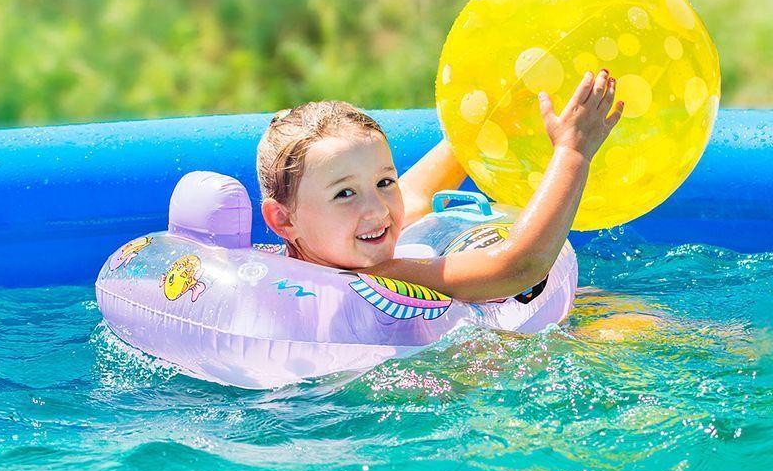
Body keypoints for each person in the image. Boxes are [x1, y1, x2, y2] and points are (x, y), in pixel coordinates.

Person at [256, 69, 623, 302]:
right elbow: (517, 267)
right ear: (282, 220)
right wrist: (573, 151)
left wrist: (481, 128)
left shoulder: (288, 263)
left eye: (385, 181)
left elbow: (413, 196)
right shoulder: (375, 279)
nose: (379, 210)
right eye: (345, 193)